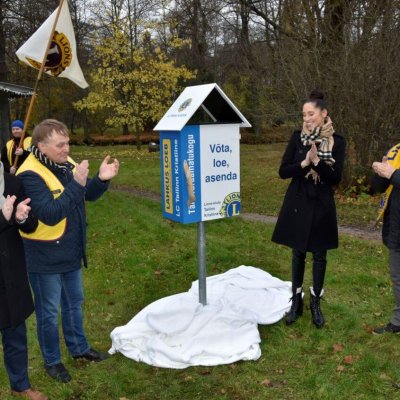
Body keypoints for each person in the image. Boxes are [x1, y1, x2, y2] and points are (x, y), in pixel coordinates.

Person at [16, 119, 119, 383]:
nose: (66, 149)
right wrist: (77, 184)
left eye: (68, 143)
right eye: (60, 145)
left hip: (70, 249)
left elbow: (85, 194)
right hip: (44, 255)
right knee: (49, 313)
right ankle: (52, 361)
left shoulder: (64, 163)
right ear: (41, 146)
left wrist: (101, 180)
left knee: (74, 303)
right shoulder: (29, 174)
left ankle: (79, 348)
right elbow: (50, 214)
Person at [271, 90, 346, 328]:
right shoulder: (298, 138)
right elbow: (283, 171)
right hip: (298, 201)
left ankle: (315, 303)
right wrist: (304, 163)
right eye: (304, 114)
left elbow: (335, 178)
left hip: (322, 203)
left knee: (320, 254)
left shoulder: (337, 141)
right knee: (298, 252)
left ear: (324, 114)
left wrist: (317, 162)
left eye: (311, 114)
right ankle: (296, 302)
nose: (306, 118)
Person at [0, 157, 48, 399]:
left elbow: (30, 224)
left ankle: (20, 386)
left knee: (15, 331)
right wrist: (3, 218)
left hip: (10, 271)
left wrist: (21, 218)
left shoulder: (12, 183)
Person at [371, 144, 400, 334]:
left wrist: (393, 174)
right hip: (396, 227)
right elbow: (378, 187)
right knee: (398, 277)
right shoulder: (396, 150)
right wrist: (380, 174)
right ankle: (398, 321)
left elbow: (394, 176)